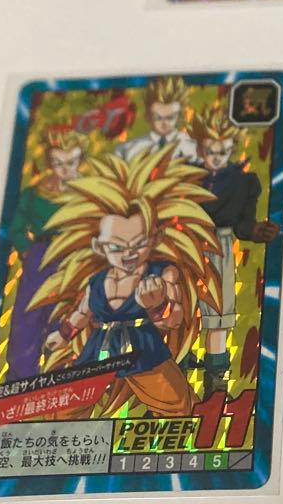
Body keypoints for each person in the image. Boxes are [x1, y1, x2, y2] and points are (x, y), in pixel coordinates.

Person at [31, 147, 222, 417]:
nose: (129, 254)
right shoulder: (97, 281)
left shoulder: (163, 273)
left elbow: (174, 320)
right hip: (98, 353)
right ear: (99, 246)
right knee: (65, 411)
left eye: (139, 244)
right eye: (117, 247)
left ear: (154, 238)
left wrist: (158, 306)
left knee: (180, 409)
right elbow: (82, 313)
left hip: (144, 352)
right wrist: (62, 335)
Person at [189, 106, 279, 397]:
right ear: (200, 149)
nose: (217, 157)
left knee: (218, 316)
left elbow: (243, 223)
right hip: (184, 243)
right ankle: (173, 375)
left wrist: (255, 230)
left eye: (223, 151)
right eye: (211, 151)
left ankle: (215, 385)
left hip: (219, 245)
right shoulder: (184, 177)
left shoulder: (243, 182)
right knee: (178, 313)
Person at [6, 127, 88, 380]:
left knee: (65, 318)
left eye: (71, 162)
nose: (64, 169)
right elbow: (17, 227)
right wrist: (28, 251)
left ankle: (60, 379)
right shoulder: (35, 193)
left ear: (80, 160)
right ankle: (21, 379)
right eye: (58, 163)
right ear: (50, 162)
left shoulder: (89, 193)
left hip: (74, 258)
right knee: (28, 320)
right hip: (40, 258)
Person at [116, 75, 197, 164]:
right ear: (147, 117)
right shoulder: (128, 150)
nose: (164, 123)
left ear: (180, 116)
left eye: (170, 118)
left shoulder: (192, 148)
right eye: (158, 118)